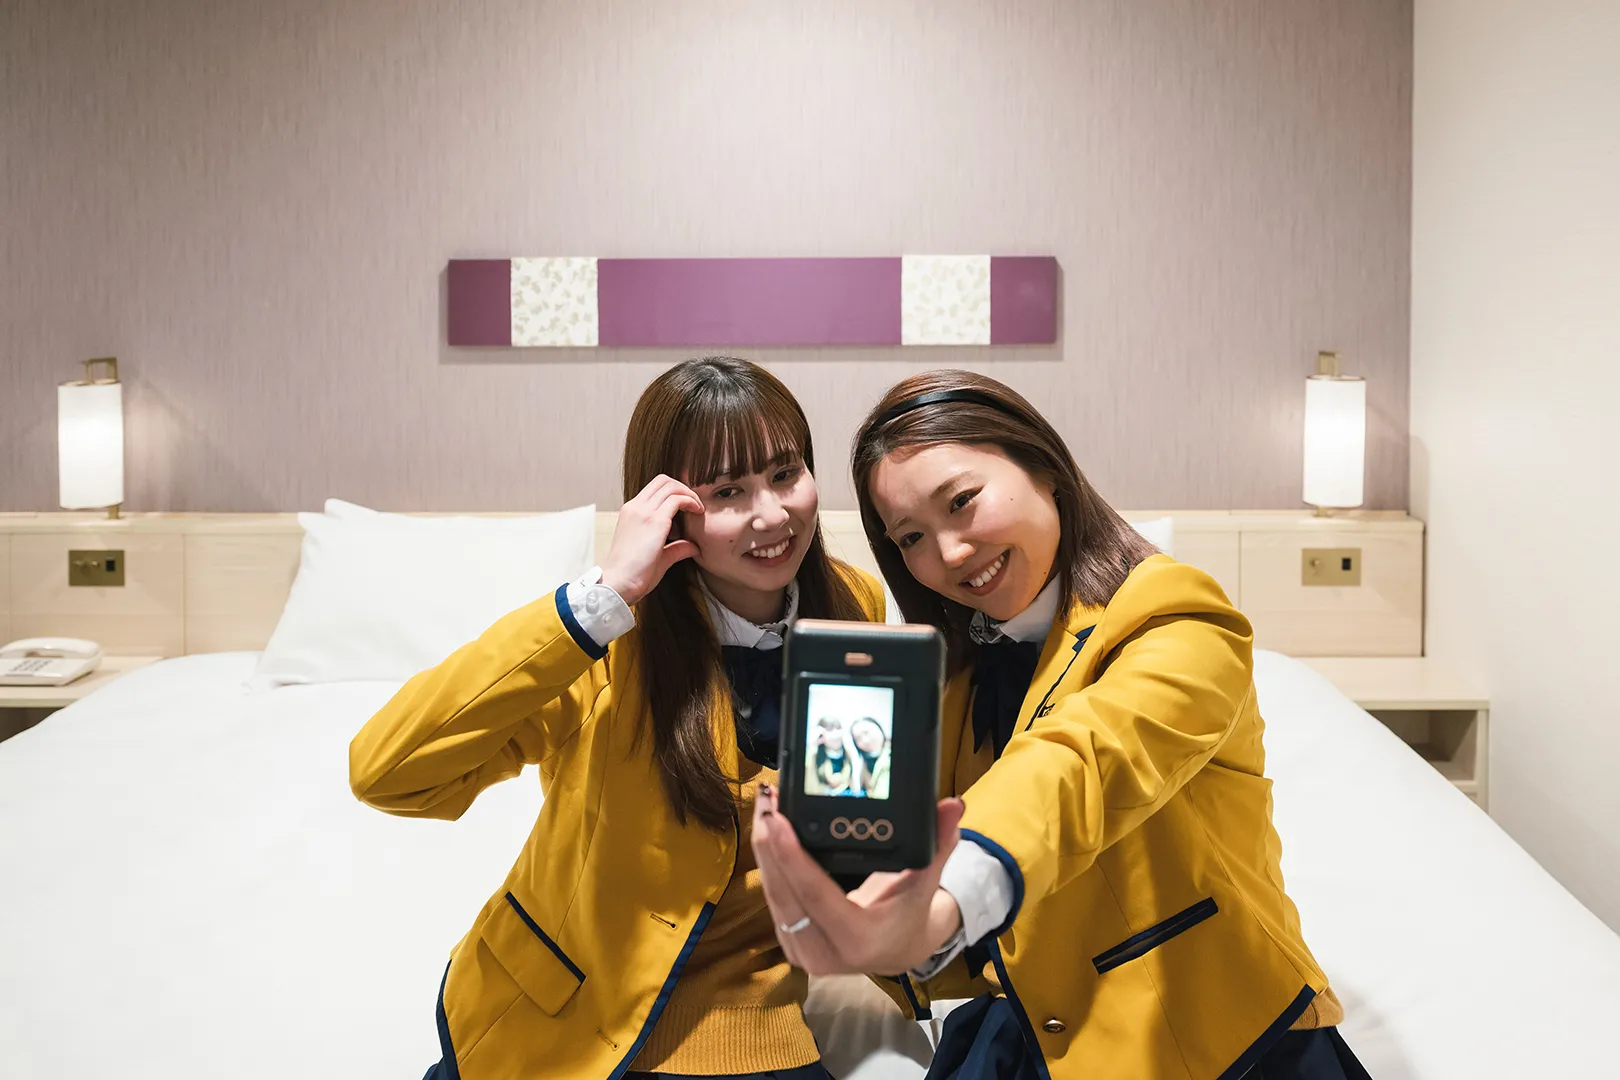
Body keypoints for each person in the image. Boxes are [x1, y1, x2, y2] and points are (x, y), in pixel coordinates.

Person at [751, 370, 1369, 1079]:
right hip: (1023, 1034)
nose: (949, 554)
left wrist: (948, 898)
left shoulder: (1177, 613)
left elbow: (1082, 763)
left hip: (1215, 1039)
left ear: (1044, 467)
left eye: (962, 501)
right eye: (912, 537)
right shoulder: (957, 683)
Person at [349, 357, 886, 1080]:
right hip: (562, 1013)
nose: (771, 515)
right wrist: (598, 599)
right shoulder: (606, 640)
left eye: (786, 474)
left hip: (745, 1019)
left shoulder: (853, 607)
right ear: (666, 509)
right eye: (727, 491)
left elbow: (857, 823)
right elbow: (387, 774)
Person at [849, 718, 891, 800]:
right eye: (858, 738)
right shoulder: (863, 764)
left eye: (866, 732)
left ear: (878, 728)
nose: (865, 740)